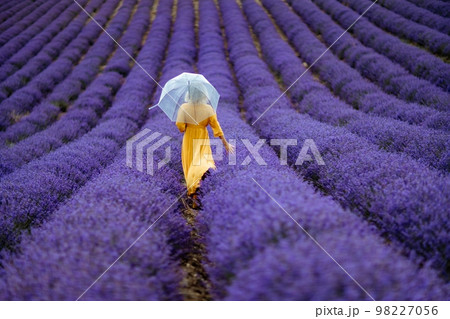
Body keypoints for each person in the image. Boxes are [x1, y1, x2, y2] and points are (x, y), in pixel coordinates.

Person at [176, 86, 234, 208]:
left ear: (189, 95)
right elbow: (216, 128)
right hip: (202, 137)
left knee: (191, 163)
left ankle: (193, 192)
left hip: (189, 138)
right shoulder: (208, 109)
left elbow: (180, 127)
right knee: (203, 161)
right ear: (204, 95)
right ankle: (199, 188)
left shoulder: (184, 107)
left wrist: (188, 124)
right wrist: (226, 144)